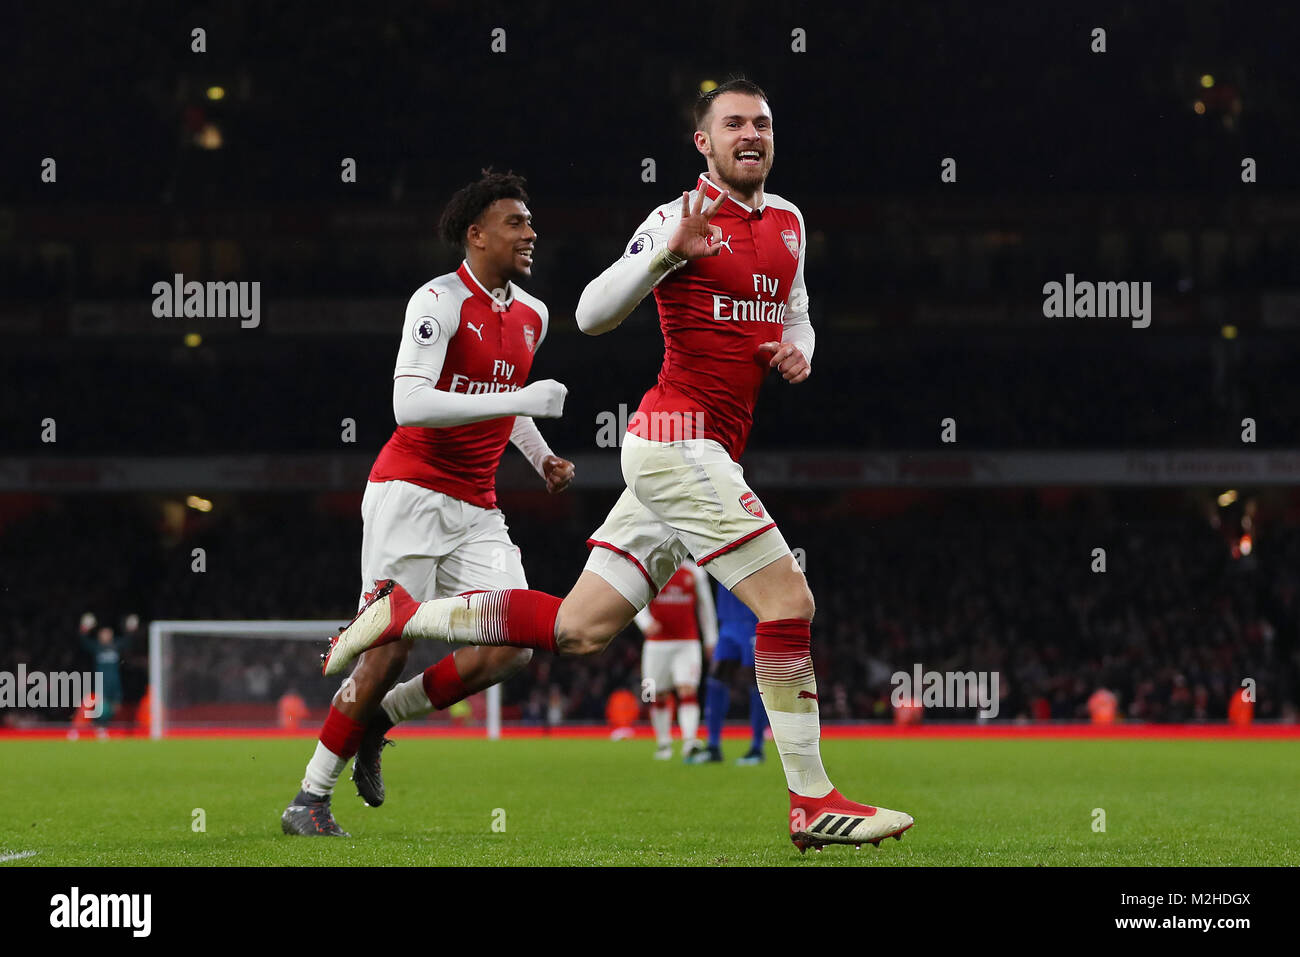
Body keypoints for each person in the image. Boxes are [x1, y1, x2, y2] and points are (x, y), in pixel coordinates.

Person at [322, 80, 913, 852]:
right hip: (676, 440)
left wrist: (800, 348)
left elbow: (795, 307)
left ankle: (396, 654)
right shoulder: (678, 217)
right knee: (787, 602)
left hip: (701, 451)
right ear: (703, 142)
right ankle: (811, 801)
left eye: (762, 123)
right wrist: (667, 254)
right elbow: (596, 312)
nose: (750, 134)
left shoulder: (791, 223)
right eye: (732, 123)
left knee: (576, 629)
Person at [281, 169, 574, 837]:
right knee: (386, 650)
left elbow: (505, 400)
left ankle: (380, 719)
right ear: (476, 234)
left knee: (513, 645)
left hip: (478, 504)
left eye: (530, 222)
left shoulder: (533, 314)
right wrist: (520, 400)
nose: (531, 233)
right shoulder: (437, 300)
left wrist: (540, 455)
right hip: (408, 493)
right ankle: (309, 798)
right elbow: (407, 403)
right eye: (515, 222)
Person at [634, 559, 716, 760]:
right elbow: (635, 599)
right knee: (656, 694)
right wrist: (646, 623)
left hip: (687, 643)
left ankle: (690, 742)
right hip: (656, 644)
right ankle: (663, 743)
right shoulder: (651, 569)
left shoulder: (694, 572)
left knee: (687, 690)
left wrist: (711, 639)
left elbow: (706, 606)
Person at [690, 582, 767, 765]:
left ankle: (757, 748)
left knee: (755, 682)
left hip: (752, 620)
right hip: (727, 622)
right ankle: (713, 747)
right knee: (716, 681)